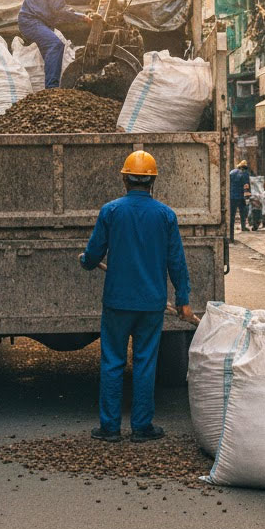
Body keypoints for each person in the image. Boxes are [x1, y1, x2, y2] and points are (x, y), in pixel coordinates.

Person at [80, 151, 196, 443]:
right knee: (145, 362)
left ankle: (110, 428)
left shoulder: (111, 211)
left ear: (124, 178)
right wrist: (183, 299)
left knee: (112, 362)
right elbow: (177, 262)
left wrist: (86, 261)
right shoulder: (166, 216)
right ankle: (142, 427)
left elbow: (94, 253)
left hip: (117, 302)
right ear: (152, 181)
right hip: (151, 303)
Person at [17, 0, 95, 89]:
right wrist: (82, 17)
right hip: (31, 21)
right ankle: (52, 90)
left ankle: (49, 89)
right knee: (55, 45)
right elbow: (58, 8)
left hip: (40, 22)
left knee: (52, 53)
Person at [229, 159, 251, 241]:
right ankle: (243, 226)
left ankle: (231, 232)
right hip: (240, 196)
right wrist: (248, 194)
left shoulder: (231, 172)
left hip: (231, 196)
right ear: (244, 168)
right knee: (243, 212)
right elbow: (246, 186)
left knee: (232, 215)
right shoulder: (244, 174)